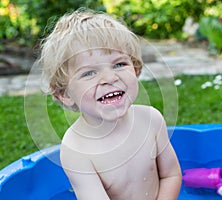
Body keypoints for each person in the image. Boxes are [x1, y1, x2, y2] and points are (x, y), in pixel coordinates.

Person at [40, 8, 182, 200]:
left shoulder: (151, 120)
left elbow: (170, 175)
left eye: (119, 64)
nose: (109, 78)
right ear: (64, 94)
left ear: (136, 69)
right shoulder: (76, 149)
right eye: (89, 73)